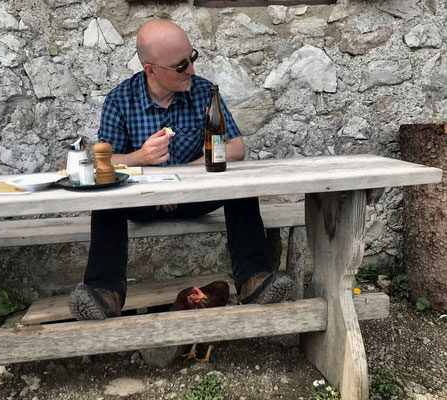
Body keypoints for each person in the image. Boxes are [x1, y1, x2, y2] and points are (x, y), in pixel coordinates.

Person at [68, 19, 294, 320]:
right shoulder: (121, 99)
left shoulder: (203, 92)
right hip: (141, 202)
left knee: (240, 186)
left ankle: (253, 279)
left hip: (195, 197)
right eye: (180, 66)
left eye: (192, 58)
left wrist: (182, 179)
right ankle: (105, 293)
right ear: (151, 70)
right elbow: (103, 163)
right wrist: (140, 157)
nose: (191, 70)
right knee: (106, 198)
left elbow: (236, 148)